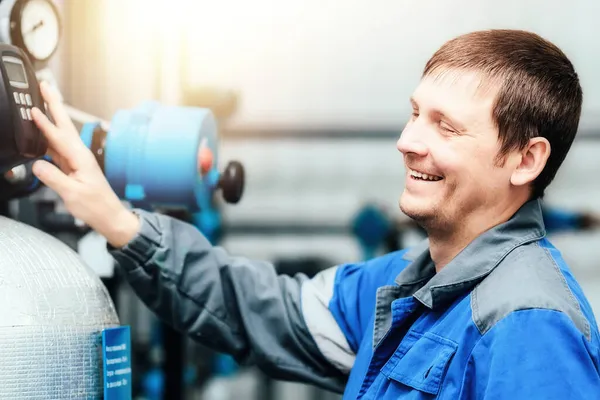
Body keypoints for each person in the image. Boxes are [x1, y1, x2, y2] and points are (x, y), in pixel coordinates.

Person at [30, 29, 600, 399]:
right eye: (414, 114)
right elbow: (262, 310)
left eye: (445, 126)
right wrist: (119, 222)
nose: (406, 141)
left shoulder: (529, 324)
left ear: (526, 160)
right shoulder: (399, 287)